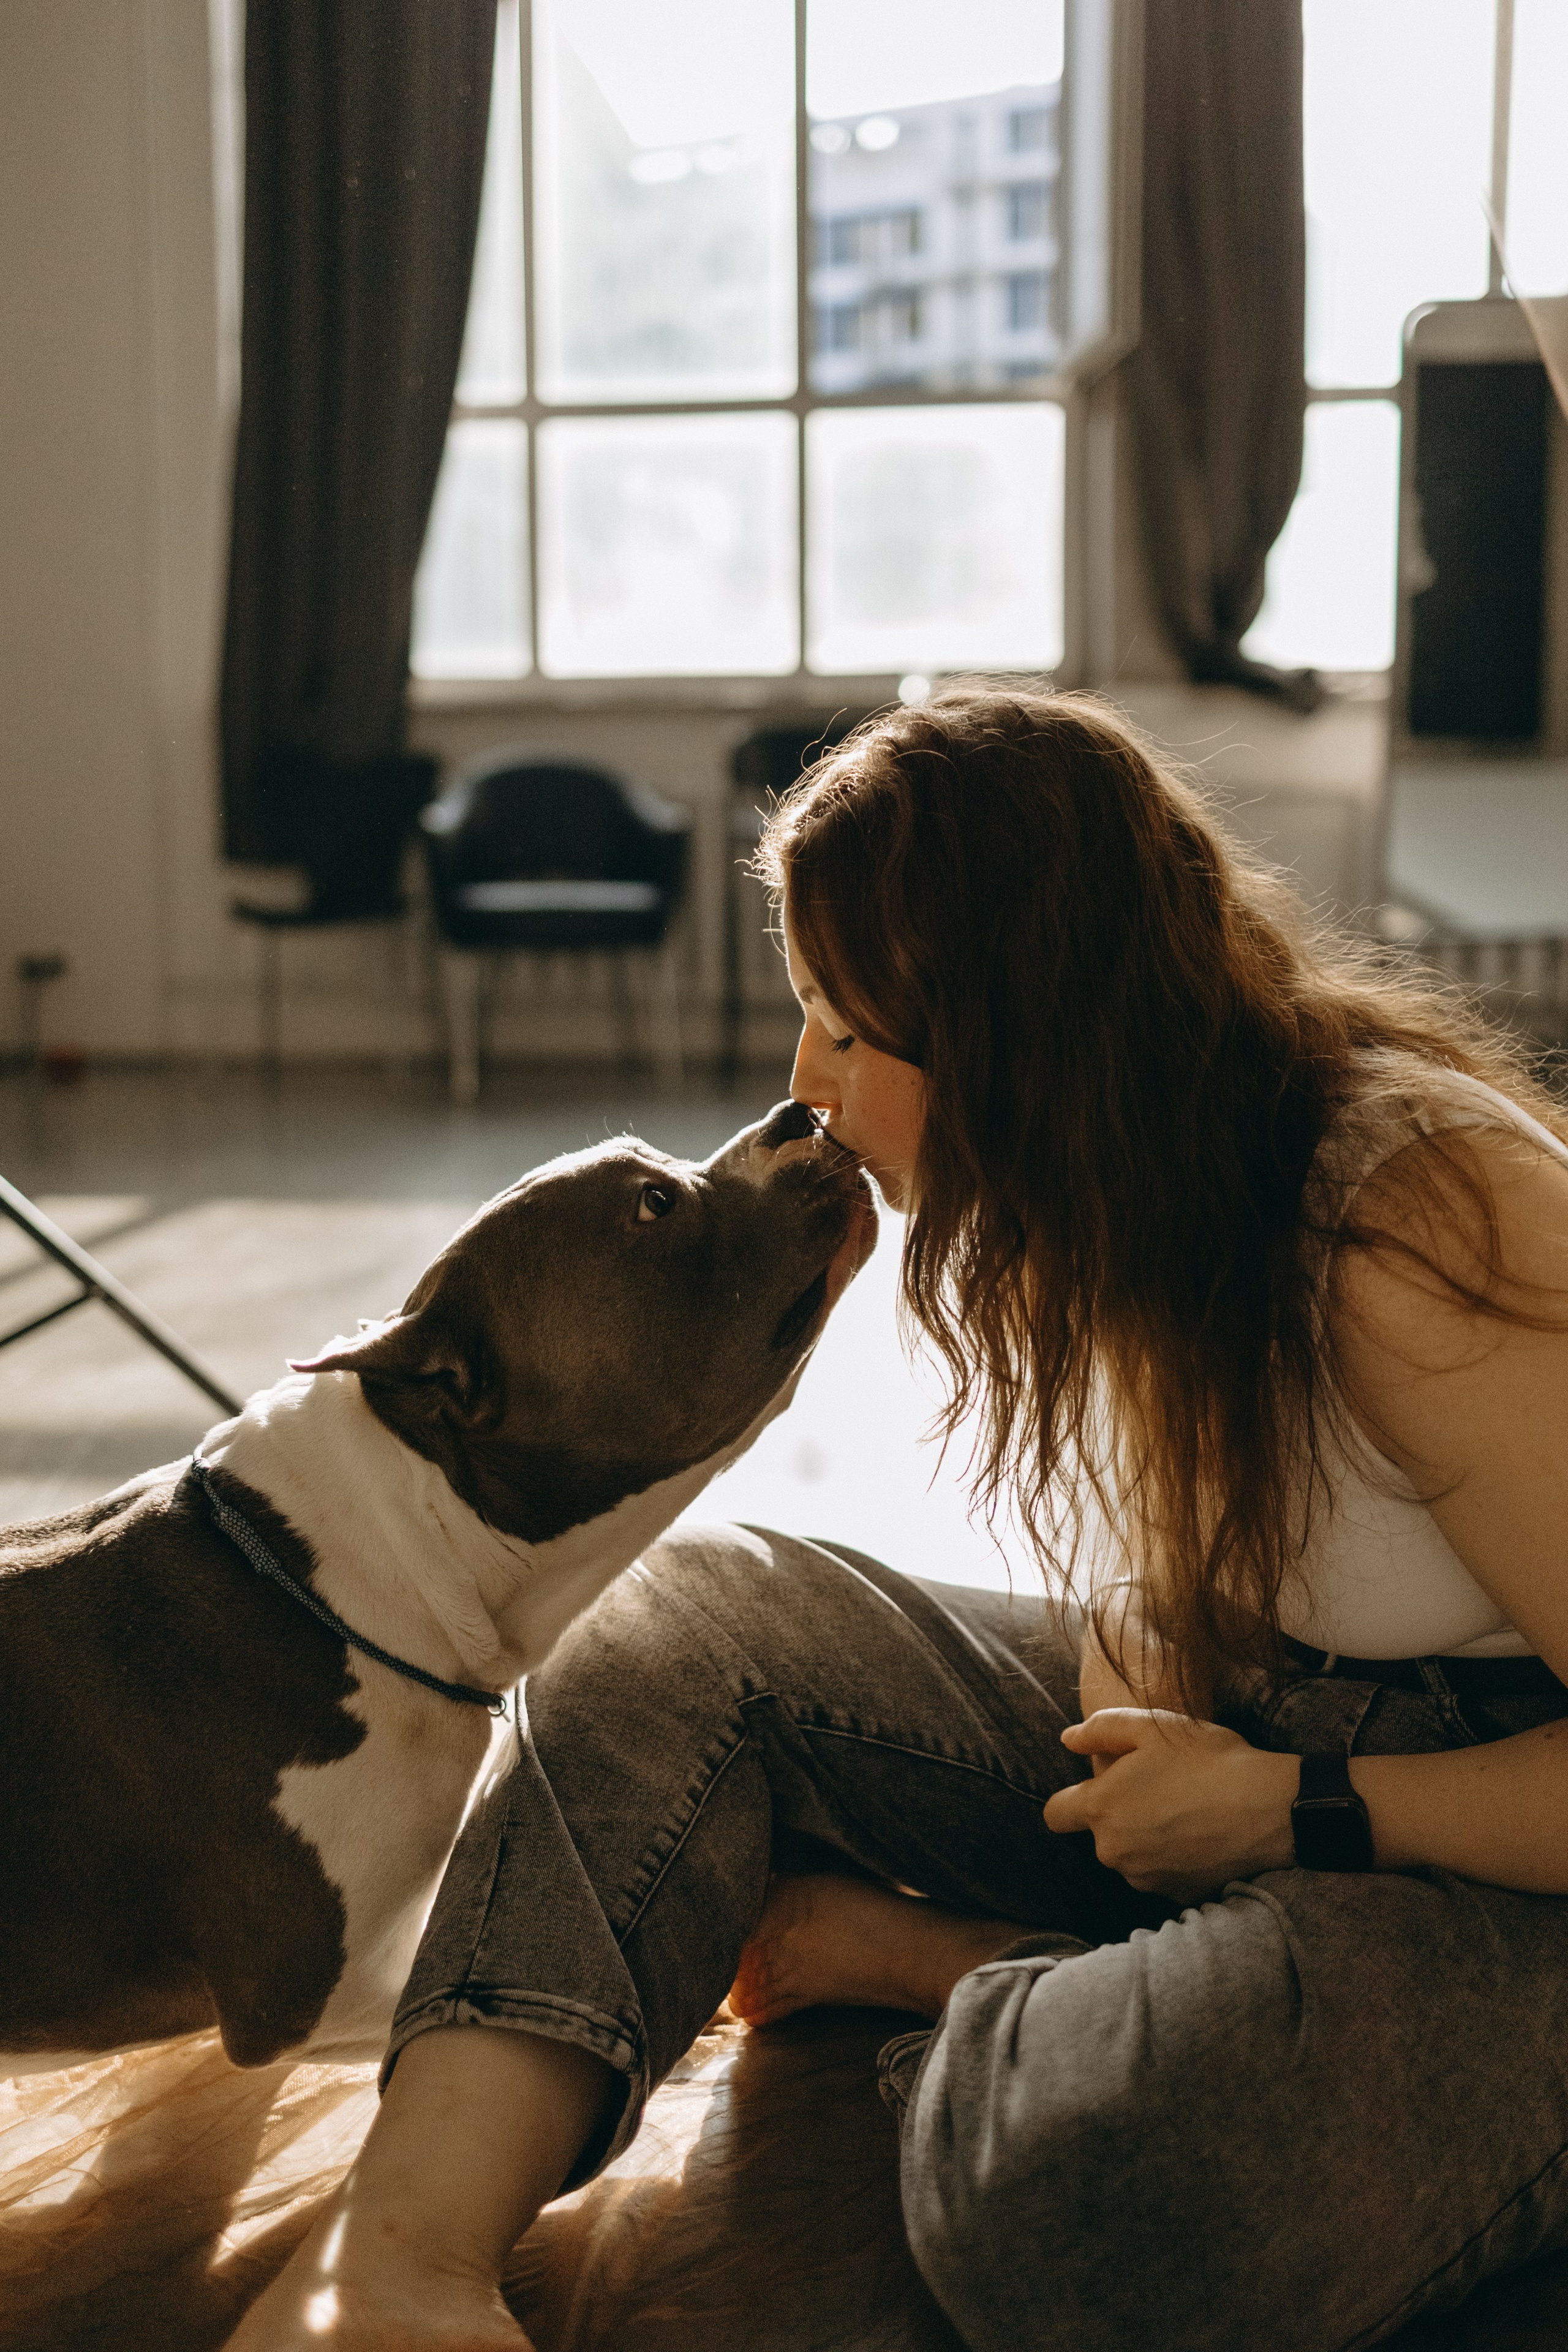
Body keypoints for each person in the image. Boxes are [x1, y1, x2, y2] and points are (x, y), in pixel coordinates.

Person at [230, 687, 1568, 2352]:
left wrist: (1290, 1809)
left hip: (1501, 1862)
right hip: (1261, 1738)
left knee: (1089, 2190)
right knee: (677, 1622)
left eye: (851, 1031)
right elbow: (1176, 1582)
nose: (808, 1086)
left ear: (1023, 1034)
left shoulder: (1410, 1215)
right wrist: (1165, 1718)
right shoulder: (1112, 1184)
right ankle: (398, 2256)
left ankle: (943, 1965)